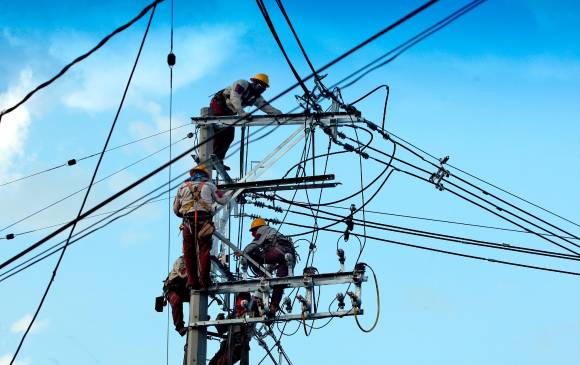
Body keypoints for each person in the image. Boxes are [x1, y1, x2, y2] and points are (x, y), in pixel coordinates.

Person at [173, 164, 231, 289]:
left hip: (188, 223)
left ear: (192, 174)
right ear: (205, 175)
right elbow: (222, 200)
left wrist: (186, 210)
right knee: (204, 251)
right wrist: (229, 194)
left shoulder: (182, 187)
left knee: (189, 253)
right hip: (204, 222)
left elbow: (176, 210)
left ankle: (192, 281)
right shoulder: (209, 185)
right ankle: (205, 281)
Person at [208, 73, 282, 165]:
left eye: (264, 88)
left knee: (229, 136)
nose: (262, 89)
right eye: (261, 85)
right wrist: (242, 113)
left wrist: (281, 115)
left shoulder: (256, 97)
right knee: (219, 133)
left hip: (229, 113)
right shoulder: (242, 84)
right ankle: (210, 158)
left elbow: (267, 107)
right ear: (254, 82)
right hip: (219, 106)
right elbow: (234, 98)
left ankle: (218, 160)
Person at [243, 218, 296, 313]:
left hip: (279, 251)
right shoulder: (274, 232)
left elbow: (256, 242)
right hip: (289, 255)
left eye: (253, 232)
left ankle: (264, 275)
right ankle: (273, 307)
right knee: (279, 282)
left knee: (251, 256)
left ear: (256, 228)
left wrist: (244, 253)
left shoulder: (262, 229)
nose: (253, 234)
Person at [209, 293, 254, 365]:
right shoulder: (233, 314)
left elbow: (248, 328)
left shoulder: (249, 314)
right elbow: (222, 330)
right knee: (213, 363)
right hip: (227, 343)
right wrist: (219, 321)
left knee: (223, 362)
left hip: (239, 345)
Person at [163, 256, 189, 336]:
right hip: (172, 289)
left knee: (198, 296)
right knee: (176, 301)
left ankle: (200, 315)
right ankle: (179, 327)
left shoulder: (197, 263)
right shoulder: (181, 261)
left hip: (183, 289)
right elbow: (183, 273)